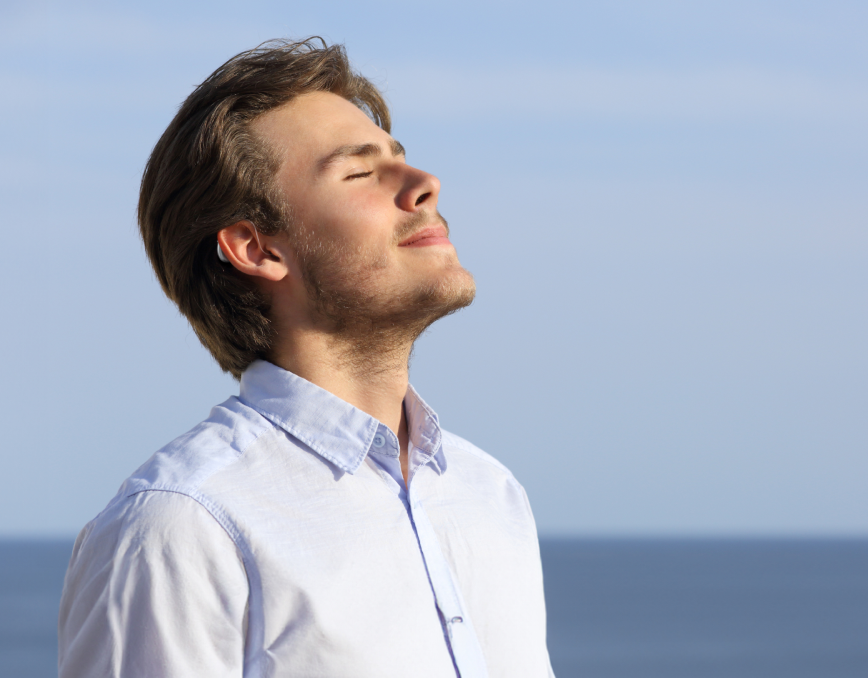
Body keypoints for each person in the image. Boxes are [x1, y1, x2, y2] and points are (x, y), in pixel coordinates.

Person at [58, 38, 555, 678]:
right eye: (360, 173)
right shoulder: (180, 527)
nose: (425, 185)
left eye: (400, 159)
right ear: (257, 248)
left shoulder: (490, 494)